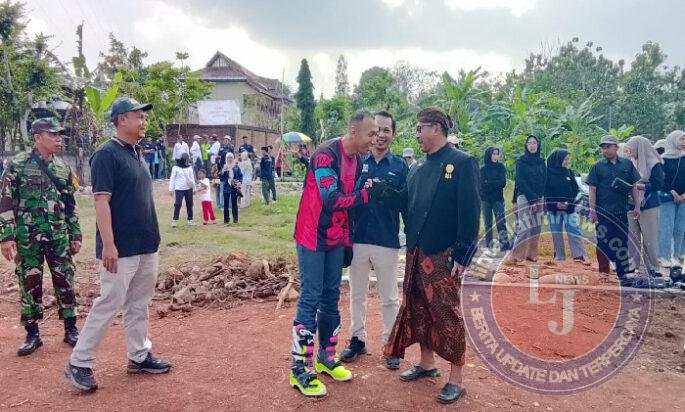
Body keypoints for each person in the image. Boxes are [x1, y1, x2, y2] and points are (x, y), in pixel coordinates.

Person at [66, 97, 170, 393]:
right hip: (120, 247)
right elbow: (101, 202)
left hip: (145, 243)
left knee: (139, 303)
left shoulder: (136, 152)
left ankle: (139, 356)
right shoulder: (106, 154)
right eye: (139, 116)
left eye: (143, 117)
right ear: (121, 119)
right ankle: (79, 362)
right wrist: (109, 245)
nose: (143, 121)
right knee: (109, 302)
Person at [383, 107, 480, 405]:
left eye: (420, 128)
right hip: (416, 251)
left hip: (444, 253)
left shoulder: (462, 163)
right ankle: (427, 363)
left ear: (436, 128)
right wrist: (383, 191)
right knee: (419, 308)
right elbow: (407, 203)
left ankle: (456, 379)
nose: (417, 134)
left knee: (446, 313)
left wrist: (463, 253)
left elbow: (470, 211)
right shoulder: (417, 167)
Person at [289, 110, 377, 397]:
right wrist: (365, 196)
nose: (373, 139)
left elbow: (350, 205)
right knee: (311, 297)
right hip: (312, 236)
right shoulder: (325, 155)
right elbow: (332, 200)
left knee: (331, 297)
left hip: (337, 238)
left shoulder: (359, 159)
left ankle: (326, 357)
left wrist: (348, 241)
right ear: (353, 131)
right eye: (370, 134)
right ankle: (300, 370)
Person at [0, 117, 81, 356]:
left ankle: (71, 328)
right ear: (37, 138)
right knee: (29, 282)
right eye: (52, 134)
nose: (58, 139)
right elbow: (5, 200)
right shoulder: (17, 164)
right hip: (28, 236)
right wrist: (6, 235)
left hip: (58, 235)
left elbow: (70, 203)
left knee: (65, 279)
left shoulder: (63, 168)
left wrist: (75, 233)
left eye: (59, 135)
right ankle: (32, 334)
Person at [340, 111, 407, 370]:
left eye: (386, 130)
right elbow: (346, 195)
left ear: (393, 134)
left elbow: (405, 203)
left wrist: (386, 192)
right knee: (357, 294)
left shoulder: (400, 166)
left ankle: (391, 344)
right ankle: (357, 339)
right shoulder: (357, 161)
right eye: (377, 129)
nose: (380, 135)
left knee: (389, 297)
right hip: (358, 238)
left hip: (386, 240)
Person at [586, 135, 641, 285]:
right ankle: (603, 273)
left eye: (608, 147)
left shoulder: (627, 164)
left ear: (616, 147)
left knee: (622, 241)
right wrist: (592, 210)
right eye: (603, 147)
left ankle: (622, 273)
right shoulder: (597, 166)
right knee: (603, 242)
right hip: (603, 211)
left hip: (621, 210)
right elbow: (592, 189)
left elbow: (633, 187)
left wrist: (637, 206)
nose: (605, 150)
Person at [624, 136, 664, 276]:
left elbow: (659, 184)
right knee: (632, 237)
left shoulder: (654, 164)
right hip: (631, 204)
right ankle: (632, 265)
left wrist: (642, 186)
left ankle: (653, 267)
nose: (629, 153)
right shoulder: (631, 162)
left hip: (649, 205)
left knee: (649, 238)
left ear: (639, 149)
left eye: (631, 150)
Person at [505, 135, 546, 264]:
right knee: (524, 226)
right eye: (529, 143)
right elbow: (520, 181)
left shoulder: (541, 161)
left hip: (539, 197)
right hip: (524, 196)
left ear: (538, 145)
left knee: (536, 227)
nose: (532, 145)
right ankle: (515, 256)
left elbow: (544, 180)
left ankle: (531, 254)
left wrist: (538, 198)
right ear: (526, 146)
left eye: (534, 143)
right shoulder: (521, 161)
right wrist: (532, 199)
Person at [544, 149, 588, 263]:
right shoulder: (547, 173)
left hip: (569, 207)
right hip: (553, 208)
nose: (567, 161)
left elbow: (574, 189)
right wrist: (556, 203)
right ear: (558, 159)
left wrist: (568, 202)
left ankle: (579, 255)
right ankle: (559, 256)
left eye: (568, 159)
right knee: (556, 232)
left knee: (574, 230)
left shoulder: (569, 172)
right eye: (565, 159)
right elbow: (545, 191)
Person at [658, 130, 685, 269]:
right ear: (673, 140)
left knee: (680, 228)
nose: (684, 142)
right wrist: (673, 192)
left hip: (684, 199)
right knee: (666, 227)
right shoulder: (663, 159)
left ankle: (676, 256)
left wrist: (683, 195)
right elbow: (661, 179)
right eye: (682, 139)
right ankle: (664, 256)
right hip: (667, 197)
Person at [480, 146, 510, 251]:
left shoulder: (501, 167)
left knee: (501, 221)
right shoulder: (483, 169)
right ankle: (489, 244)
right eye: (493, 154)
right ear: (489, 155)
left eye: (497, 154)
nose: (495, 156)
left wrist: (489, 182)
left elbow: (502, 183)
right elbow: (481, 185)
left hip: (498, 198)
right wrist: (494, 183)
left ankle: (504, 244)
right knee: (487, 223)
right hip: (485, 199)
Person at [169, 153, 196, 227]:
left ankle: (190, 219)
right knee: (178, 204)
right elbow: (172, 178)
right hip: (179, 188)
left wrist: (194, 188)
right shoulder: (175, 168)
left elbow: (192, 178)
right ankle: (175, 220)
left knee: (190, 204)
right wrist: (171, 189)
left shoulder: (189, 167)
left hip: (188, 188)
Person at [220, 153, 243, 224]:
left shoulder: (236, 167)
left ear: (233, 158)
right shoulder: (224, 167)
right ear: (226, 159)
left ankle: (235, 219)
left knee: (234, 204)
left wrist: (239, 182)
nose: (229, 159)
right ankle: (226, 219)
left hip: (234, 187)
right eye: (228, 158)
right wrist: (223, 171)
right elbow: (221, 178)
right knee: (226, 204)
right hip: (226, 187)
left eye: (231, 158)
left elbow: (240, 176)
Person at [216, 136, 234, 208]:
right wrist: (220, 169)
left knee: (229, 187)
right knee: (222, 187)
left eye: (226, 140)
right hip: (222, 169)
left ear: (229, 141)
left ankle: (229, 204)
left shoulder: (231, 148)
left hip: (229, 168)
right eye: (224, 140)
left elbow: (232, 158)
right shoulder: (221, 148)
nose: (225, 141)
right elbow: (218, 158)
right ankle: (221, 204)